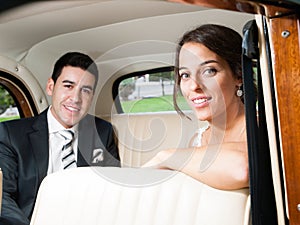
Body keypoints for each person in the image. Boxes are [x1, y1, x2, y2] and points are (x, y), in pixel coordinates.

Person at [0, 52, 120, 225]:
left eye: (85, 90)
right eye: (68, 86)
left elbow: (112, 189)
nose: (76, 99)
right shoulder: (11, 135)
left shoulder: (102, 132)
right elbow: (3, 198)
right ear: (50, 86)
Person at [143, 24, 249, 190]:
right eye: (185, 75)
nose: (194, 86)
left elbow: (242, 169)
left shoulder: (266, 129)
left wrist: (167, 156)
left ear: (238, 75)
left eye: (209, 71)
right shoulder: (197, 140)